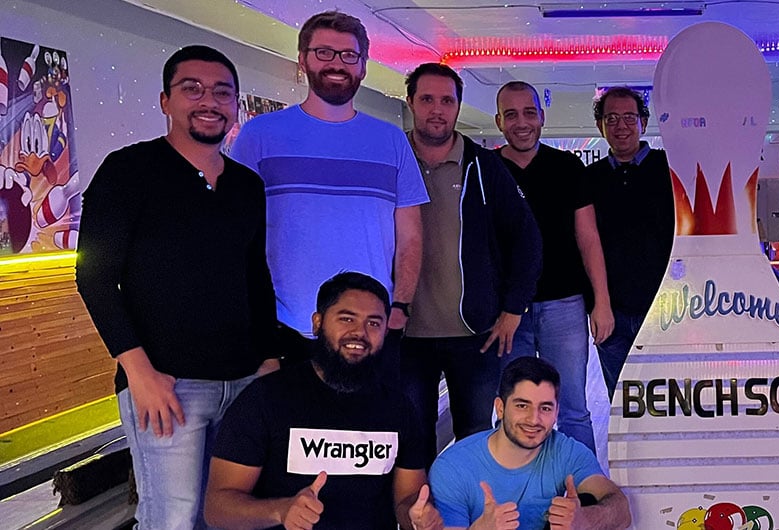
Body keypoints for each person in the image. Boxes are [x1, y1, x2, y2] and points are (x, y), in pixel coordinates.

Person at [74, 45, 278, 529]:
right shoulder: (128, 171)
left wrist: (268, 359)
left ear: (235, 106)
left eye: (222, 92)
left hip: (244, 380)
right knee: (173, 518)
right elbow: (94, 276)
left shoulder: (246, 185)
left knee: (228, 514)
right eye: (193, 89)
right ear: (165, 101)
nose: (209, 100)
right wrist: (138, 372)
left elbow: (255, 276)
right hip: (167, 383)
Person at [229, 10, 427, 371]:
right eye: (324, 52)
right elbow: (239, 235)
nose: (337, 63)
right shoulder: (259, 137)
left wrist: (399, 308)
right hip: (282, 330)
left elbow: (410, 235)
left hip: (368, 331)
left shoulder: (391, 141)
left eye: (348, 55)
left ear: (363, 66)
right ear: (302, 59)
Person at [205, 273, 439, 530]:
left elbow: (407, 499)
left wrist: (418, 518)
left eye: (373, 323)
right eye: (346, 318)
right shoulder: (265, 398)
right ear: (317, 323)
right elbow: (217, 509)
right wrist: (281, 510)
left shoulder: (398, 407)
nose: (359, 333)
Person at [400, 63, 542, 451]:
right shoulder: (392, 161)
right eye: (427, 99)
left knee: (475, 439)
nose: (437, 109)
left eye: (447, 100)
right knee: (412, 439)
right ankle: (416, 512)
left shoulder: (485, 166)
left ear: (458, 107)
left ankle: (469, 513)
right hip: (404, 332)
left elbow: (527, 239)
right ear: (410, 102)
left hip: (475, 332)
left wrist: (513, 309)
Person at [494, 80, 612, 453]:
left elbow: (588, 238)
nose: (521, 122)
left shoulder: (567, 167)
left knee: (573, 408)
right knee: (514, 408)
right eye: (511, 115)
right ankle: (517, 485)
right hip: (506, 311)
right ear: (498, 121)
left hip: (564, 304)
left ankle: (585, 490)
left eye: (529, 112)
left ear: (542, 117)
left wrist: (602, 301)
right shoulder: (487, 170)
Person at [428, 356, 633, 529]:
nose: (534, 420)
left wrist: (585, 519)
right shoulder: (452, 467)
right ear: (500, 408)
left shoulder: (567, 452)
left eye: (545, 408)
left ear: (556, 413)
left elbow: (621, 510)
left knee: (590, 502)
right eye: (522, 406)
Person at [585, 86, 674, 397]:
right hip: (611, 314)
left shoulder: (669, 171)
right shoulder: (589, 179)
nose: (620, 126)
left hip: (665, 310)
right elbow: (585, 245)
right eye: (611, 119)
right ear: (600, 126)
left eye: (628, 118)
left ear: (643, 122)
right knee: (622, 402)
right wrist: (598, 305)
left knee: (666, 398)